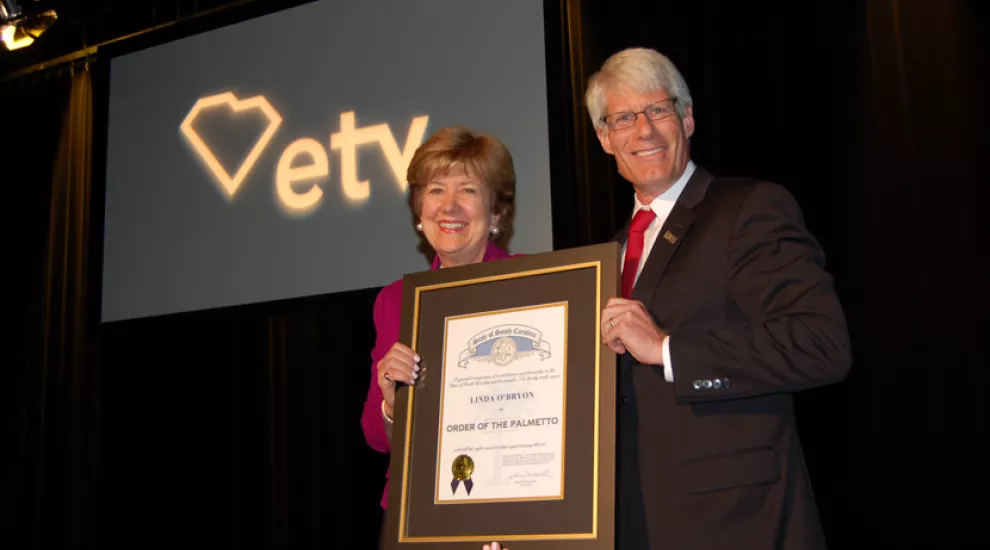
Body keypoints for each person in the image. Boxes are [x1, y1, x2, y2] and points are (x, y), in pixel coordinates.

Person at [484, 47, 852, 550]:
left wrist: (667, 349)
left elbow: (820, 344)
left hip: (736, 522)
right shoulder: (603, 258)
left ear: (688, 118)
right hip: (629, 521)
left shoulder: (747, 208)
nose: (644, 131)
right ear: (604, 139)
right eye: (624, 118)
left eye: (658, 110)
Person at [359, 126, 521, 546]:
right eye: (435, 190)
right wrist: (392, 405)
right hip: (417, 514)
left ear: (497, 212)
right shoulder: (395, 301)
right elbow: (377, 437)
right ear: (419, 209)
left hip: (514, 502)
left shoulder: (536, 285)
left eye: (468, 189)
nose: (449, 206)